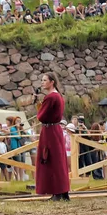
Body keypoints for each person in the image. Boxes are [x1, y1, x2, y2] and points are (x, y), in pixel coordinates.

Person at [34, 72, 70, 201]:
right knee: (59, 160)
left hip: (49, 130)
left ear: (52, 82)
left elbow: (41, 116)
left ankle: (57, 192)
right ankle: (63, 191)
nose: (42, 82)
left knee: (51, 160)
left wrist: (39, 105)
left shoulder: (50, 97)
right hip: (56, 129)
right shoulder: (58, 96)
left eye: (45, 80)